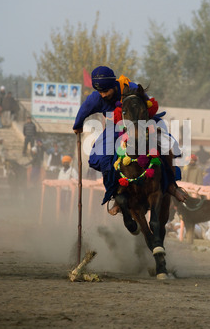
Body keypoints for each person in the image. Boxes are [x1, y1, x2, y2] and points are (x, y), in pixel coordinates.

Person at [73, 65, 188, 218]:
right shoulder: (95, 98)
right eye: (100, 91)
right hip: (115, 127)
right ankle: (116, 193)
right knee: (101, 156)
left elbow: (148, 107)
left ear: (114, 84)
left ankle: (172, 186)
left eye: (106, 91)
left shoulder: (132, 88)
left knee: (167, 145)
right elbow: (83, 111)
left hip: (143, 123)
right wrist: (78, 125)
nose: (103, 95)